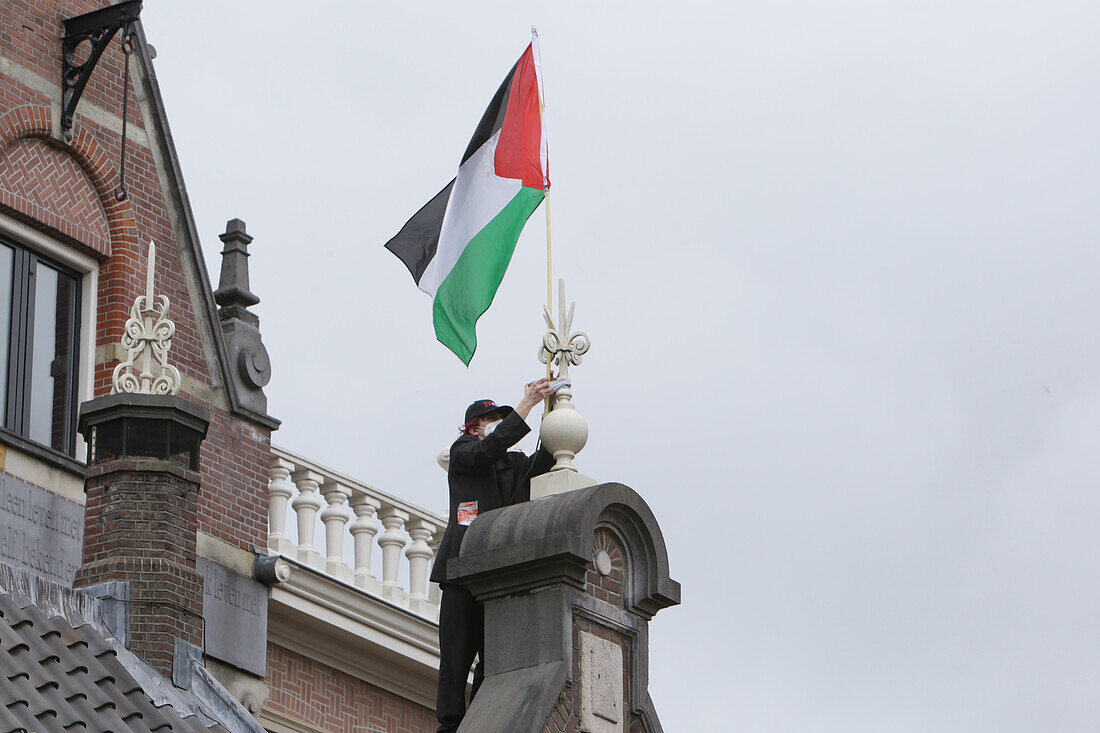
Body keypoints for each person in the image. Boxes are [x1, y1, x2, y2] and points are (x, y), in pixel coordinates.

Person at [432, 377, 557, 733]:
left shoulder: (512, 463)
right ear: (474, 427)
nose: (498, 425)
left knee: (495, 653)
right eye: (491, 420)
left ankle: (484, 720)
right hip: (461, 566)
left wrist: (554, 408)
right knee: (456, 654)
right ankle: (451, 725)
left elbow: (543, 461)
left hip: (498, 570)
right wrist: (527, 403)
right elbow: (489, 449)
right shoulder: (464, 453)